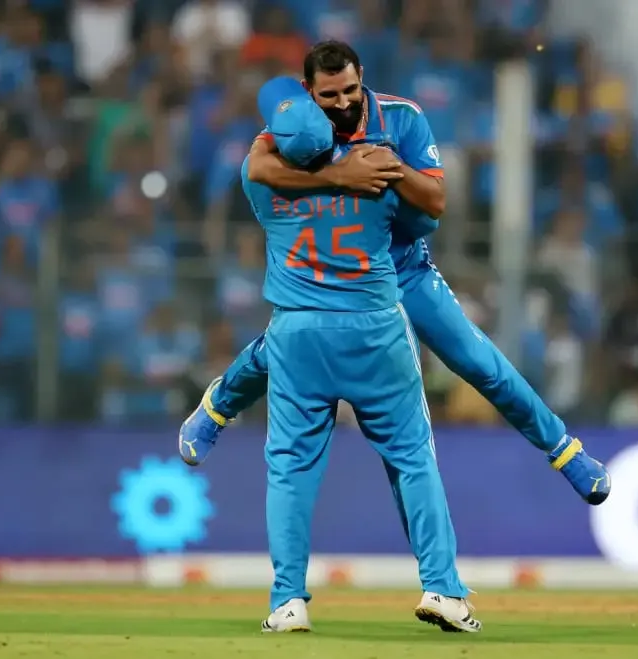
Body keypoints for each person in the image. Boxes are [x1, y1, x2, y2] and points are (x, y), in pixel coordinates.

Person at [180, 42, 611, 505]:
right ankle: (215, 408)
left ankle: (565, 451)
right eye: (330, 95)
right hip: (340, 273)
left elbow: (436, 203)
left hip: (404, 266)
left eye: (349, 90)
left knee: (478, 361)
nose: (342, 103)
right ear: (310, 92)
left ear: (361, 76)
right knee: (282, 347)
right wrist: (338, 176)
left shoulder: (402, 117)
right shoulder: (299, 122)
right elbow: (259, 166)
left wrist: (393, 168)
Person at [195, 74, 479, 634]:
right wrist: (365, 171)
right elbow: (424, 217)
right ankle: (443, 590)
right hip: (376, 329)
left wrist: (297, 156)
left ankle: (288, 602)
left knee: (291, 469)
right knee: (412, 458)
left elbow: (260, 159)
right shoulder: (376, 170)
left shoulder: (261, 181)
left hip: (300, 333)